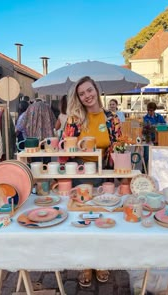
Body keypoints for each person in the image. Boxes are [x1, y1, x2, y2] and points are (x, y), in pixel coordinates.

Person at [62, 76, 122, 287]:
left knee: (103, 217)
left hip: (104, 171)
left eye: (89, 90)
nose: (87, 96)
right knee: (83, 218)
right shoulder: (75, 118)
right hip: (82, 173)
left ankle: (102, 262)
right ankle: (86, 264)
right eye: (81, 93)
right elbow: (65, 148)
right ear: (78, 97)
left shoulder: (111, 118)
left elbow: (118, 144)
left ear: (96, 90)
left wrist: (118, 170)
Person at [142, 101, 166, 173]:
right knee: (146, 155)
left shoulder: (159, 116)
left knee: (156, 155)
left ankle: (156, 170)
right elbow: (145, 126)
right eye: (148, 110)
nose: (149, 112)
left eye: (151, 110)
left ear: (154, 110)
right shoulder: (145, 117)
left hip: (158, 138)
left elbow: (164, 124)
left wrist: (158, 125)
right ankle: (144, 170)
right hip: (148, 138)